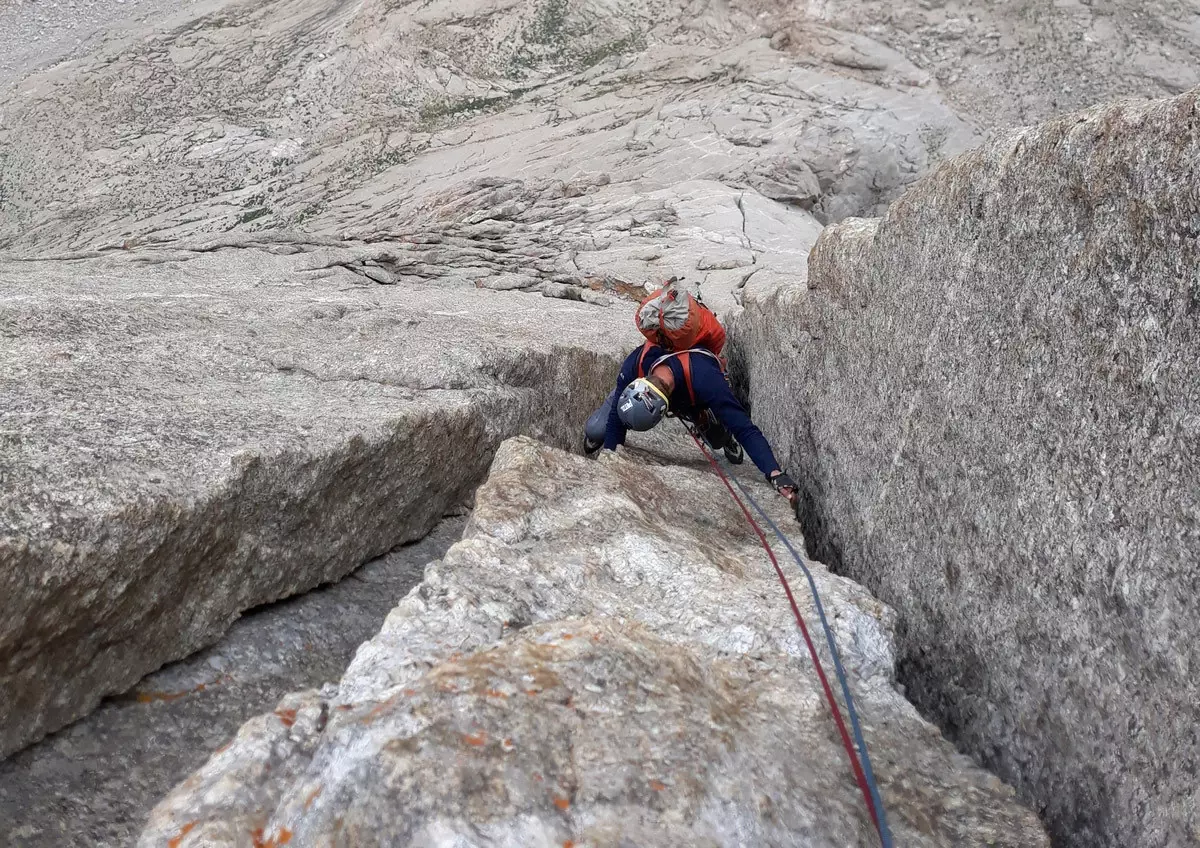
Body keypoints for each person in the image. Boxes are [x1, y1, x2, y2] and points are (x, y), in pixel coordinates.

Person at [584, 341, 800, 504]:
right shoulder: (637, 364)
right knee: (596, 430)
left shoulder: (707, 380)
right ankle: (598, 431)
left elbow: (744, 428)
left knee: (716, 439)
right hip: (667, 392)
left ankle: (723, 435)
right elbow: (616, 418)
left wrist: (774, 473)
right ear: (638, 383)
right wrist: (611, 460)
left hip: (694, 397)